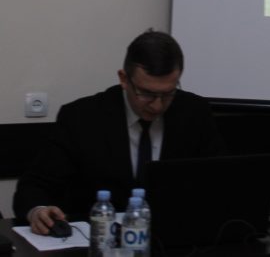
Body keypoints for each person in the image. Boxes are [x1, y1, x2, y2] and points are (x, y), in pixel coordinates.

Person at [13, 30, 226, 234]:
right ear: (124, 79)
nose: (157, 106)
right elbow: (34, 186)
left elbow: (219, 182)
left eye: (168, 94)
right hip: (98, 240)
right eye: (146, 94)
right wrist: (38, 211)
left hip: (175, 238)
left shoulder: (195, 113)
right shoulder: (81, 118)